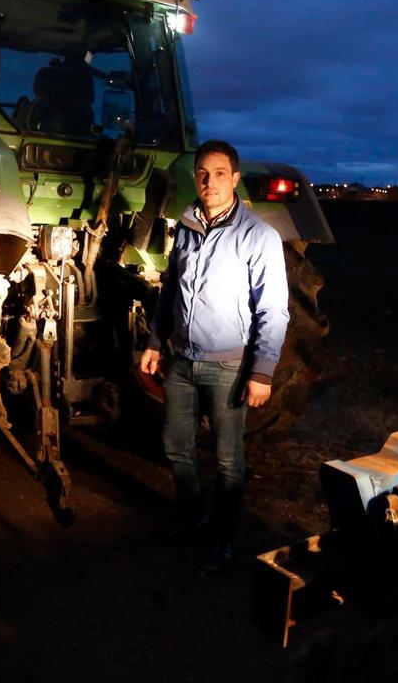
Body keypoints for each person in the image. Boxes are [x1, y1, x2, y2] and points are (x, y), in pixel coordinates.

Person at [139, 140, 290, 572]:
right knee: (175, 445)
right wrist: (154, 341)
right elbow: (170, 290)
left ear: (235, 179)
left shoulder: (259, 236)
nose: (209, 181)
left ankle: (225, 534)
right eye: (203, 173)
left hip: (228, 365)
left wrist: (262, 371)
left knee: (227, 458)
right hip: (181, 360)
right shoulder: (185, 226)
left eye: (219, 173)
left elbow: (273, 309)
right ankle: (193, 517)